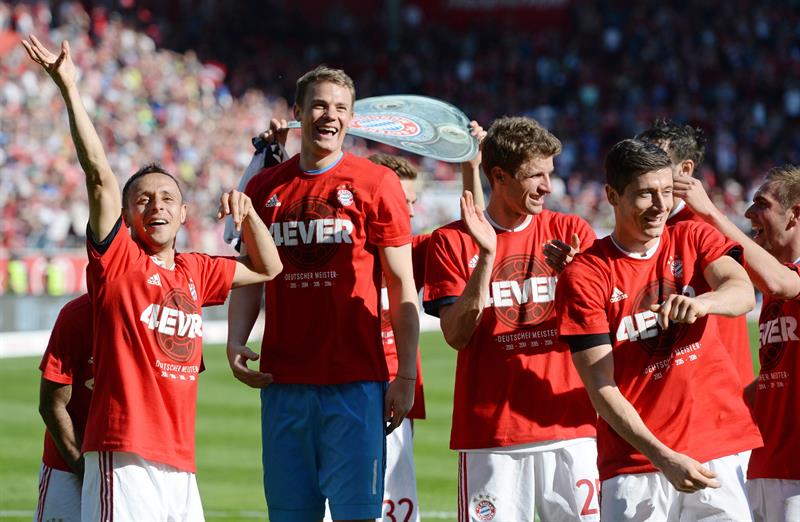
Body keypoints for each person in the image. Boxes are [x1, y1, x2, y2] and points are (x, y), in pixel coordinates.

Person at [22, 35, 283, 521]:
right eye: (142, 199)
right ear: (123, 215)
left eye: (166, 197)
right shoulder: (118, 261)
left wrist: (249, 215)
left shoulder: (196, 271)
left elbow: (270, 268)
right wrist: (70, 89)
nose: (155, 205)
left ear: (184, 212)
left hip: (179, 463)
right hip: (122, 453)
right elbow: (98, 173)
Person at [226, 65, 420, 522]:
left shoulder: (377, 183)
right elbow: (251, 271)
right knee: (291, 515)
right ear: (297, 113)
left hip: (355, 381)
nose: (328, 116)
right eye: (317, 104)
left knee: (357, 515)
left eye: (339, 108)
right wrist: (236, 340)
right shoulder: (264, 187)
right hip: (284, 382)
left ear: (351, 119)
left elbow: (401, 285)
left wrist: (406, 374)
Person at [555, 138, 762, 521]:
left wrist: (702, 303)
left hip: (718, 447)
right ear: (612, 196)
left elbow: (742, 292)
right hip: (637, 463)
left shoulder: (692, 237)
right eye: (645, 194)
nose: (660, 206)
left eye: (666, 192)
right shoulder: (584, 275)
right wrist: (662, 456)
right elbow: (601, 388)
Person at [423, 116, 601, 522]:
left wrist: (577, 277)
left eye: (549, 173)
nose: (548, 187)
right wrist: (486, 257)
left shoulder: (571, 231)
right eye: (534, 175)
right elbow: (455, 335)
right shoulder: (452, 240)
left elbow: (605, 323)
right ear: (499, 175)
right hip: (493, 435)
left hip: (570, 429)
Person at [673, 165, 800, 521]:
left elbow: (779, 284)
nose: (748, 213)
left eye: (762, 204)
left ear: (796, 214)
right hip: (764, 461)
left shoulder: (784, 282)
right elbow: (778, 374)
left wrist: (710, 213)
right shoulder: (779, 283)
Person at [637, 119, 755, 390]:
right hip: (667, 389)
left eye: (655, 160)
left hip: (716, 389)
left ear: (685, 169)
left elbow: (743, 290)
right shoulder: (645, 226)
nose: (643, 170)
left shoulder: (707, 228)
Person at [35, 294, 92, 522]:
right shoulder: (78, 314)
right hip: (67, 465)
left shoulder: (159, 314)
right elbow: (51, 405)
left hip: (129, 466)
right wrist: (83, 468)